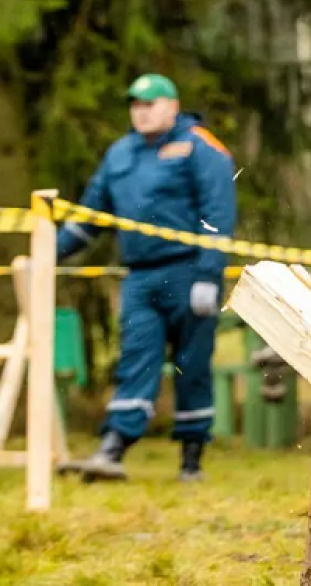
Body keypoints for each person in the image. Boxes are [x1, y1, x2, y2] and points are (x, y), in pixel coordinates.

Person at [55, 74, 237, 483]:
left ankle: (192, 459)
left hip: (190, 271)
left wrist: (209, 275)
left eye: (150, 103)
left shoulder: (200, 146)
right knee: (136, 358)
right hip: (140, 278)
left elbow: (218, 215)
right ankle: (113, 449)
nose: (141, 110)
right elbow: (91, 216)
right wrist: (49, 249)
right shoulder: (120, 154)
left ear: (172, 105)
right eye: (135, 104)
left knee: (191, 365)